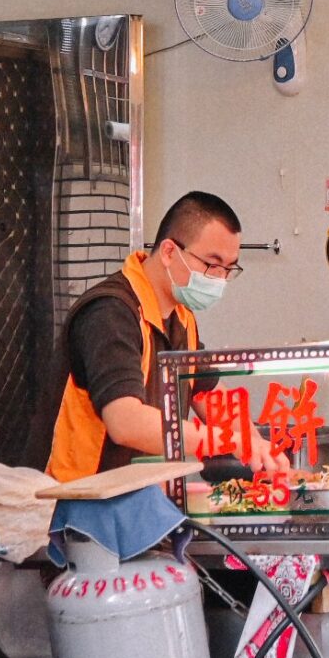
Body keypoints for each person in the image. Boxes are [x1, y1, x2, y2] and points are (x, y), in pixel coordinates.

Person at [44, 190, 243, 482]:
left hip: (139, 499)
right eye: (212, 265)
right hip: (76, 503)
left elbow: (207, 392)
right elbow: (126, 422)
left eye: (229, 268)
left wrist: (258, 444)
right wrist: (221, 441)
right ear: (169, 252)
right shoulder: (110, 312)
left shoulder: (182, 317)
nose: (220, 279)